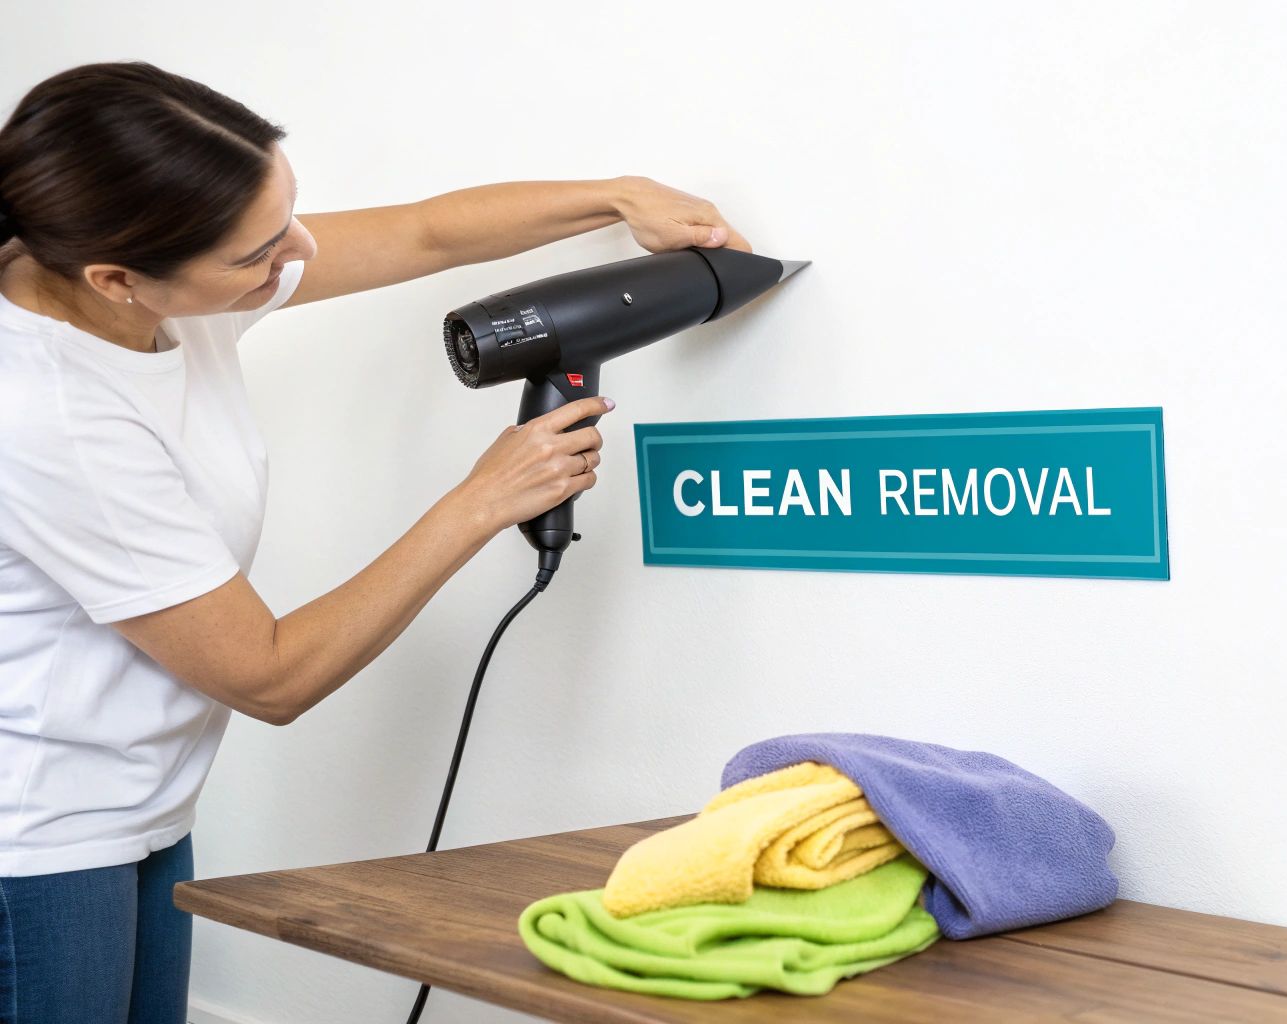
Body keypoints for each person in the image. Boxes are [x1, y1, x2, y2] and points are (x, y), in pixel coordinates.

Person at [0, 61, 750, 1023]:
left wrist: (616, 195)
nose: (298, 254)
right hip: (38, 836)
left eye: (288, 215)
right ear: (119, 281)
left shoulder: (145, 278)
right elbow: (270, 676)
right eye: (260, 253)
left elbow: (425, 232)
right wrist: (479, 502)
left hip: (142, 805)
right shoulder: (51, 414)